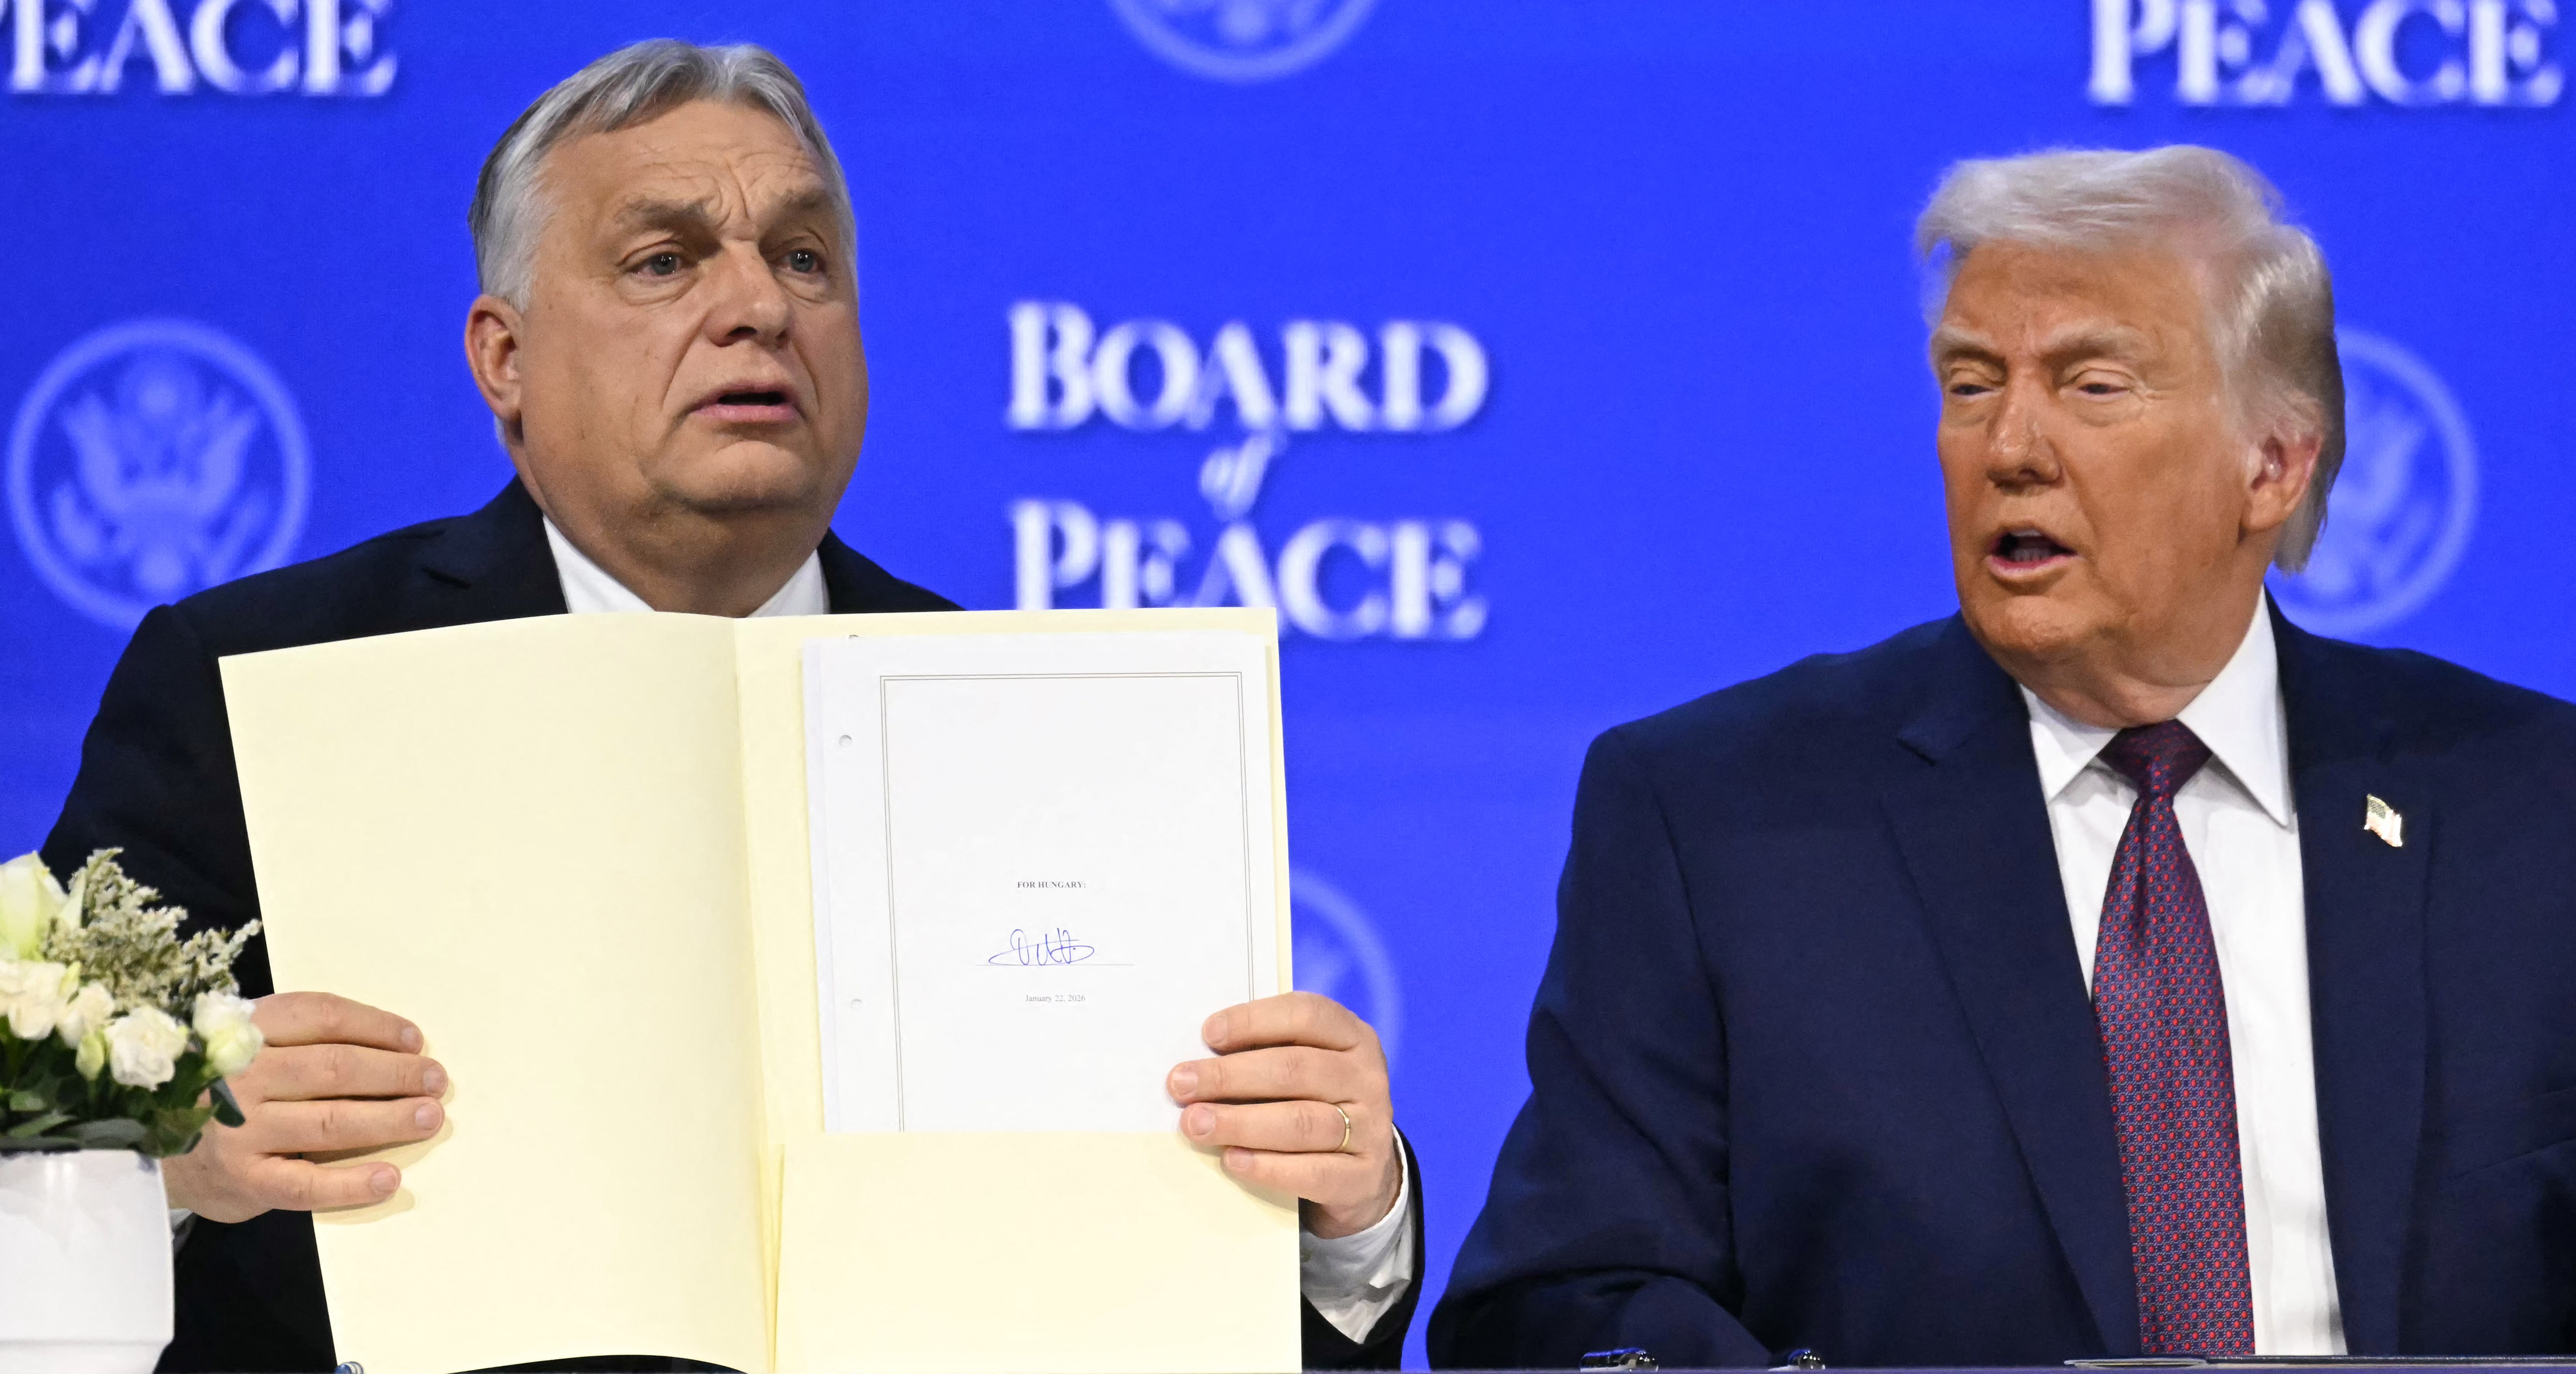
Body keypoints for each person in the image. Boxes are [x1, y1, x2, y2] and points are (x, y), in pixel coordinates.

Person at [42, 41, 1419, 1373]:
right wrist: (165, 1155)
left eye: (804, 258)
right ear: (504, 358)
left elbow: (1170, 1305)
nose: (759, 304)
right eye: (665, 260)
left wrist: (1338, 1222)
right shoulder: (253, 678)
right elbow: (36, 1167)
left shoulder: (1051, 731)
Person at [1430, 145, 2576, 1366]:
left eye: (2092, 384)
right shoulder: (1716, 819)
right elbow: (1564, 1302)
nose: (2009, 445)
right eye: (1970, 384)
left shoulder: (2534, 806)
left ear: (2272, 465)